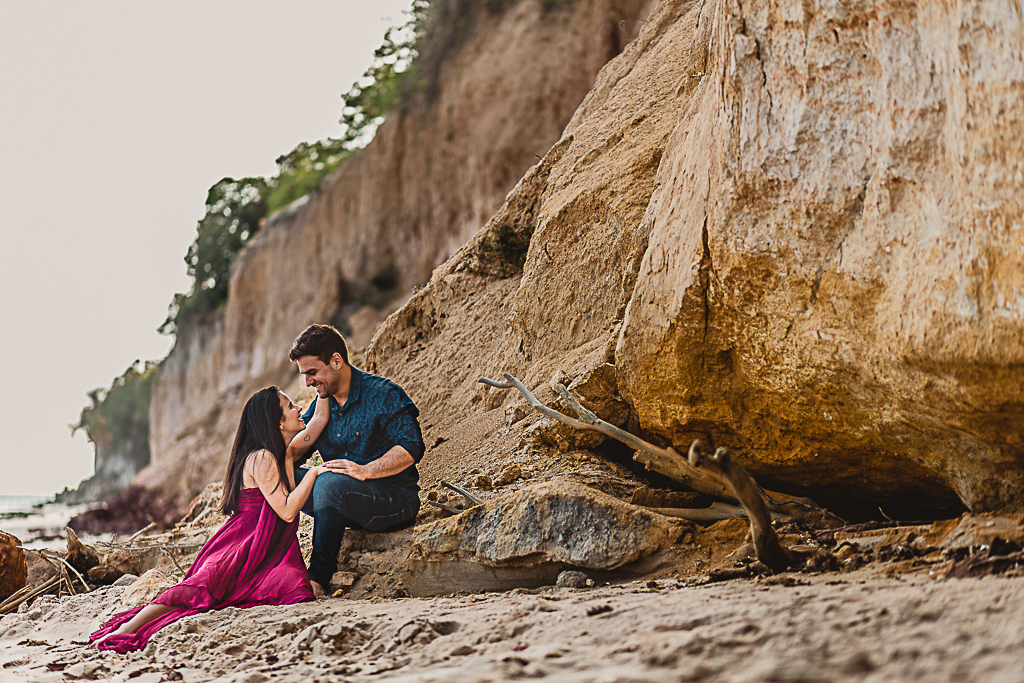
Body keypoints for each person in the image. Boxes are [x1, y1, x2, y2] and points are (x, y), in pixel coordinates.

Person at [91, 386, 333, 653]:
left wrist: (323, 389)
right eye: (290, 407)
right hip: (243, 542)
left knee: (293, 589)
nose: (299, 408)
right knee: (195, 589)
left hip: (267, 546)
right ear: (276, 421)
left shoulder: (284, 453)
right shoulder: (262, 458)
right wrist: (314, 474)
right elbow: (286, 511)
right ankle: (125, 631)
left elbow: (318, 421)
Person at [289, 323, 424, 596]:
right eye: (304, 375)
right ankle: (275, 566)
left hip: (393, 500)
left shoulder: (383, 393)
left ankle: (317, 579)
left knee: (329, 483)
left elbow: (411, 447)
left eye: (312, 373)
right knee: (282, 474)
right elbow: (290, 456)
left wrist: (366, 470)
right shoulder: (321, 405)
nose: (308, 383)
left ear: (336, 361)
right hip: (341, 501)